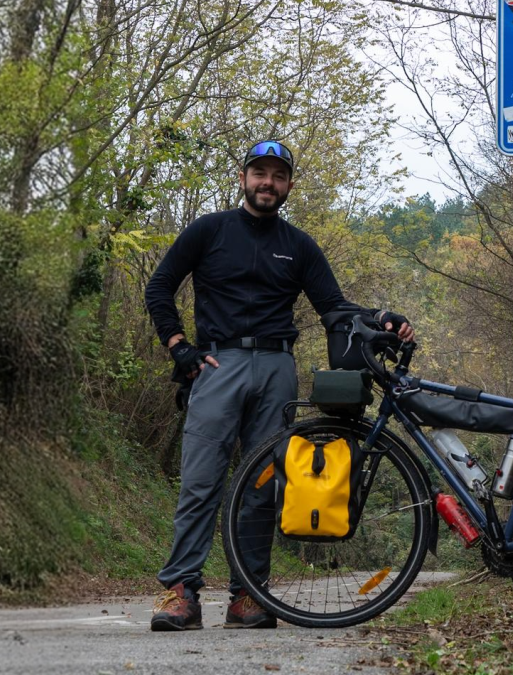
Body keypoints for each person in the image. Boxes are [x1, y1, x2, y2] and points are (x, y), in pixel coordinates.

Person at [143, 140, 413, 631]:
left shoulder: (299, 245)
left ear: (288, 185)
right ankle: (180, 593)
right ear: (243, 178)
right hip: (216, 364)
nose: (268, 183)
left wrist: (381, 317)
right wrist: (179, 347)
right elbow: (159, 286)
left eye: (278, 176)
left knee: (263, 486)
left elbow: (334, 307)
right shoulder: (209, 230)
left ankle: (248, 595)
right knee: (201, 482)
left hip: (276, 369)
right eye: (259, 173)